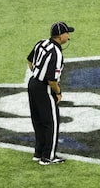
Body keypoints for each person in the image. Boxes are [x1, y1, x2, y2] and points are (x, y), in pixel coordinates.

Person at [27, 21, 74, 165]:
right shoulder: (57, 53)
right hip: (44, 88)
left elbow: (29, 61)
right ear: (60, 36)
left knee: (39, 121)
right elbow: (52, 80)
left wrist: (37, 73)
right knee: (51, 122)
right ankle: (48, 156)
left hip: (33, 84)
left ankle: (38, 152)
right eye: (67, 33)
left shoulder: (41, 43)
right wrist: (58, 93)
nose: (68, 35)